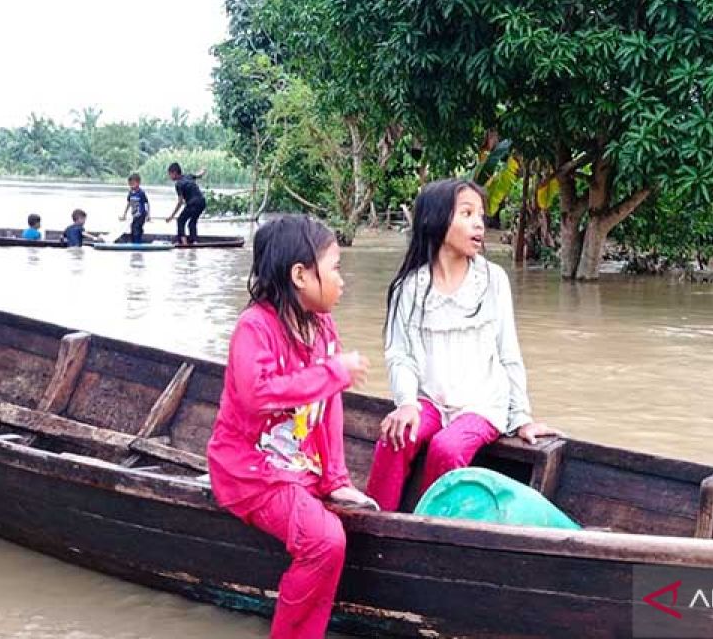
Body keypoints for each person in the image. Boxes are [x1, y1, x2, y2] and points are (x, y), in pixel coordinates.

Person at [206, 214, 377, 639]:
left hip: (299, 467)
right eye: (335, 268)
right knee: (325, 541)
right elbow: (257, 393)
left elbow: (328, 408)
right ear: (300, 275)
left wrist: (336, 478)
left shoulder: (322, 326)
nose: (342, 280)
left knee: (333, 527)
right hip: (247, 474)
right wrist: (333, 373)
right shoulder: (254, 327)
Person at [365, 178, 561, 511]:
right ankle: (373, 521)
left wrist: (522, 418)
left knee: (447, 448)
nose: (479, 224)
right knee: (395, 439)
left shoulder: (492, 280)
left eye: (480, 216)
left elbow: (508, 354)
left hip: (481, 405)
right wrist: (406, 403)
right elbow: (401, 356)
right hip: (429, 400)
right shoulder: (409, 288)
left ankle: (430, 527)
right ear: (436, 220)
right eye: (467, 213)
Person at [164, 162, 206, 245]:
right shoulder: (188, 176)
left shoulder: (178, 184)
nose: (170, 176)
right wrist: (203, 170)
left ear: (175, 173)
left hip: (193, 203)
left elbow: (180, 202)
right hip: (202, 202)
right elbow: (199, 175)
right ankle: (194, 242)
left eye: (170, 174)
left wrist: (171, 217)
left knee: (180, 221)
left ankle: (184, 243)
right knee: (192, 222)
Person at [120, 173, 150, 244]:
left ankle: (137, 243)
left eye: (133, 184)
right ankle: (135, 243)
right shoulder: (130, 193)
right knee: (132, 228)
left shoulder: (141, 193)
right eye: (130, 184)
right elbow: (129, 203)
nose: (131, 186)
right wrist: (124, 214)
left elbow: (147, 204)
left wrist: (148, 215)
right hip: (135, 215)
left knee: (137, 228)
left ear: (138, 183)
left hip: (141, 215)